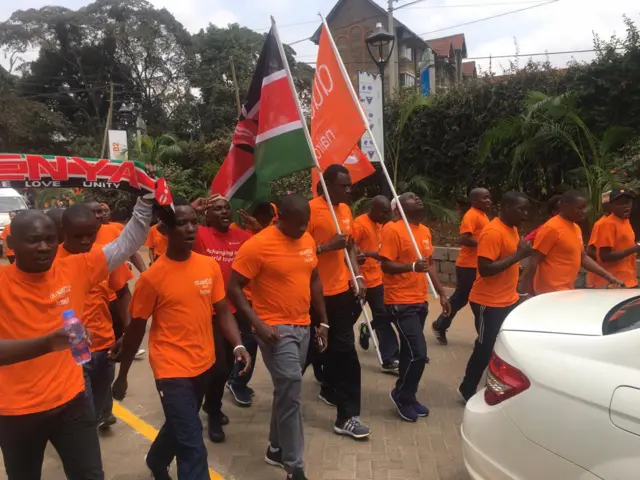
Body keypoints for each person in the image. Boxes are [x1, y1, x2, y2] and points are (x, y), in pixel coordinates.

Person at [0, 196, 152, 480]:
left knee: (90, 475)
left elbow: (126, 243)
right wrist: (46, 343)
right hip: (16, 412)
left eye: (49, 239)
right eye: (33, 240)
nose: (43, 247)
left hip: (72, 401)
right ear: (12, 246)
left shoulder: (76, 268)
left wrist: (145, 201)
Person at [112, 199, 250, 480]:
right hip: (170, 370)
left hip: (204, 364)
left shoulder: (208, 267)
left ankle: (156, 459)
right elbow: (136, 330)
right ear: (164, 229)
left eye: (193, 222)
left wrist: (237, 344)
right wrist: (123, 375)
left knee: (181, 424)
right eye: (181, 223)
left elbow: (222, 310)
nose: (189, 229)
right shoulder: (152, 279)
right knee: (192, 445)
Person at [227, 194, 328, 480]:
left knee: (285, 390)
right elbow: (234, 287)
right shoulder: (257, 245)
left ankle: (274, 447)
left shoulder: (306, 240)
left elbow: (315, 280)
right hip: (274, 331)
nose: (302, 229)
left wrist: (324, 322)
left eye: (305, 224)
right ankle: (294, 467)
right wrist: (258, 324)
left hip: (304, 326)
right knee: (293, 389)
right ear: (279, 218)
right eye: (297, 224)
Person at [307, 164, 369, 439]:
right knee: (309, 352)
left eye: (349, 185)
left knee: (346, 353)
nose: (348, 189)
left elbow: (349, 245)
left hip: (341, 293)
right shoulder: (309, 210)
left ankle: (347, 416)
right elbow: (295, 250)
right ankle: (285, 402)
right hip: (311, 296)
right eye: (343, 186)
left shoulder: (344, 210)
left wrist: (358, 276)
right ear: (327, 186)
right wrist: (324, 247)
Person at [56, 204, 133, 428]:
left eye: (90, 235)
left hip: (105, 344)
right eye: (78, 236)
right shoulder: (51, 261)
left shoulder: (103, 255)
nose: (84, 241)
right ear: (64, 231)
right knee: (84, 412)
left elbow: (123, 293)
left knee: (98, 406)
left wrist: (127, 333)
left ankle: (99, 418)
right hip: (74, 349)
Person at [380, 192, 451, 422]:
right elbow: (386, 265)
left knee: (410, 352)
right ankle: (401, 395)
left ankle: (408, 395)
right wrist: (411, 266)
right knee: (419, 353)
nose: (417, 198)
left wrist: (441, 293)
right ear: (399, 209)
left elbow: (428, 265)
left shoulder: (424, 231)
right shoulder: (393, 229)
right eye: (410, 197)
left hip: (419, 300)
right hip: (400, 302)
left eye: (418, 196)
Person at [193, 195, 256, 443]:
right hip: (208, 312)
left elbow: (265, 245)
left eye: (226, 208)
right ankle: (214, 411)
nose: (223, 212)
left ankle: (211, 404)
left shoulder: (242, 237)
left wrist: (257, 227)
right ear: (207, 216)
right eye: (216, 209)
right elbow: (174, 224)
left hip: (235, 310)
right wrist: (191, 207)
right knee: (218, 367)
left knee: (230, 362)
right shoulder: (199, 235)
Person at [458, 192, 532, 403]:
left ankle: (497, 385)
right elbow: (486, 268)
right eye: (521, 209)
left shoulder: (512, 228)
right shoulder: (492, 232)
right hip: (487, 302)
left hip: (508, 299)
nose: (525, 214)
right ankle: (467, 389)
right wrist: (519, 255)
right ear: (506, 207)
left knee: (502, 347)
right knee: (484, 347)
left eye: (527, 209)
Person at [520, 190, 624, 295]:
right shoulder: (551, 228)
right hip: (549, 293)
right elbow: (533, 262)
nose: (583, 211)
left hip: (566, 291)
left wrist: (609, 277)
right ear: (565, 206)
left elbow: (583, 257)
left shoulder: (576, 228)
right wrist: (523, 294)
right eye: (579, 208)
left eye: (584, 208)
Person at [432, 188, 491, 345]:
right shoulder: (471, 215)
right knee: (462, 298)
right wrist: (485, 244)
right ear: (474, 201)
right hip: (467, 266)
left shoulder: (483, 215)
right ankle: (440, 325)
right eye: (485, 198)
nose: (489, 200)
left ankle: (483, 337)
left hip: (477, 265)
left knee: (473, 300)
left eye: (489, 197)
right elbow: (464, 239)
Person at [353, 195, 399, 372]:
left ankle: (389, 357)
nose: (387, 215)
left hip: (376, 281)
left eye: (389, 212)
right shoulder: (359, 224)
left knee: (382, 316)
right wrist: (360, 257)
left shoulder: (381, 225)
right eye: (384, 212)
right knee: (348, 318)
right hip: (359, 283)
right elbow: (350, 250)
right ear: (374, 208)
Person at [593, 189, 638, 288]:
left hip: (629, 280)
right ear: (611, 206)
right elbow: (604, 256)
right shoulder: (607, 224)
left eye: (628, 203)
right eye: (620, 204)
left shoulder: (625, 221)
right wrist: (635, 248)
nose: (625, 206)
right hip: (614, 283)